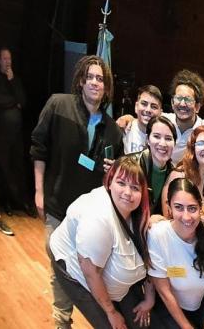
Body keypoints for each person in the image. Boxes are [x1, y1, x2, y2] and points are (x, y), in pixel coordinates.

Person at [31, 54, 125, 328]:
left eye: (101, 79)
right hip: (58, 204)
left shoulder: (113, 131)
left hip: (88, 216)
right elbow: (39, 149)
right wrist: (38, 191)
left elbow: (115, 178)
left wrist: (112, 170)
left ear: (106, 87)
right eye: (90, 77)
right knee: (60, 266)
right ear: (81, 81)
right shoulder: (58, 105)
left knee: (85, 269)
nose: (95, 83)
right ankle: (62, 321)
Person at [48, 156, 154, 328]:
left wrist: (149, 298)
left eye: (135, 187)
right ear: (109, 182)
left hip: (110, 277)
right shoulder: (98, 219)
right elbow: (91, 273)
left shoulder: (141, 216)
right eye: (121, 183)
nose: (128, 192)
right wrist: (111, 312)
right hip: (77, 269)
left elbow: (149, 261)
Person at [148, 177, 204, 328]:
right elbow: (164, 292)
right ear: (169, 207)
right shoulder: (157, 235)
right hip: (169, 308)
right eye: (179, 207)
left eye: (192, 208)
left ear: (200, 207)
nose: (186, 216)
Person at [0, 46, 29, 216]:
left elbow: (23, 101)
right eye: (5, 59)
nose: (8, 62)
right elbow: (0, 100)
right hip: (1, 133)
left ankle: (19, 201)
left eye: (10, 59)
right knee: (4, 167)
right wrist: (15, 103)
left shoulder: (15, 79)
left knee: (18, 166)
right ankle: (5, 202)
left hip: (17, 132)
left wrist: (12, 81)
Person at [124, 115, 176, 215]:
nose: (163, 144)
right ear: (147, 139)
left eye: (168, 138)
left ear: (175, 143)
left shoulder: (174, 174)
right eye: (156, 136)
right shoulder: (129, 164)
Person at [121, 86, 164, 155]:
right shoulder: (125, 128)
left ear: (160, 113)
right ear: (136, 106)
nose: (148, 110)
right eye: (144, 104)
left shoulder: (165, 136)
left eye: (154, 107)